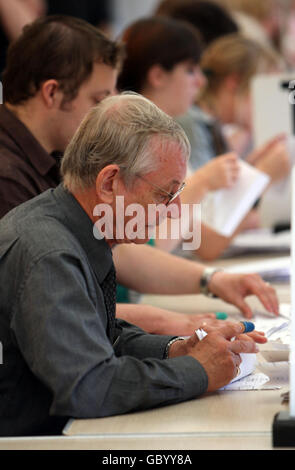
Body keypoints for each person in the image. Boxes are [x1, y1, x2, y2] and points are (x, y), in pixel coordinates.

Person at [0, 92, 267, 436]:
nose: (173, 211)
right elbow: (89, 387)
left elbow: (101, 338)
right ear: (109, 183)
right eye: (164, 195)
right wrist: (198, 370)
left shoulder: (76, 228)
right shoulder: (49, 253)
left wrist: (178, 349)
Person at [0, 16, 278, 336]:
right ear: (52, 93)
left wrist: (211, 280)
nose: (106, 110)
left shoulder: (47, 154)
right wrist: (167, 323)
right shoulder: (7, 175)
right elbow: (52, 309)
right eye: (99, 98)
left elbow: (116, 250)